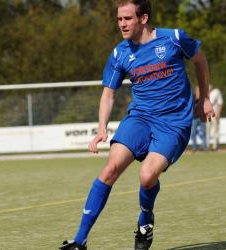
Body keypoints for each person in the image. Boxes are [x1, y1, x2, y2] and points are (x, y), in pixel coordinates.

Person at [59, 1, 214, 250]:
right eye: (119, 19)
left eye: (128, 18)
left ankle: (145, 219)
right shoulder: (120, 53)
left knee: (146, 177)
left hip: (173, 123)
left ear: (143, 18)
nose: (122, 24)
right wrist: (101, 129)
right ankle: (80, 240)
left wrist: (205, 98)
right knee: (110, 169)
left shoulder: (174, 38)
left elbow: (200, 60)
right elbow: (108, 94)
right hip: (139, 118)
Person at [190, 86, 207, 152]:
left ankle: (204, 148)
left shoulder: (203, 98)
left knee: (204, 133)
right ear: (195, 91)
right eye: (197, 90)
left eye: (199, 90)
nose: (198, 91)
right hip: (194, 118)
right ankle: (194, 148)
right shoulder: (192, 97)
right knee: (193, 133)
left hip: (202, 117)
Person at [207, 85, 223, 151]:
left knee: (215, 131)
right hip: (207, 115)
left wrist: (218, 113)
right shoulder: (206, 94)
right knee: (207, 131)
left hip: (214, 115)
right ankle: (206, 146)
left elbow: (220, 103)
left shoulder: (216, 92)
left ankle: (215, 147)